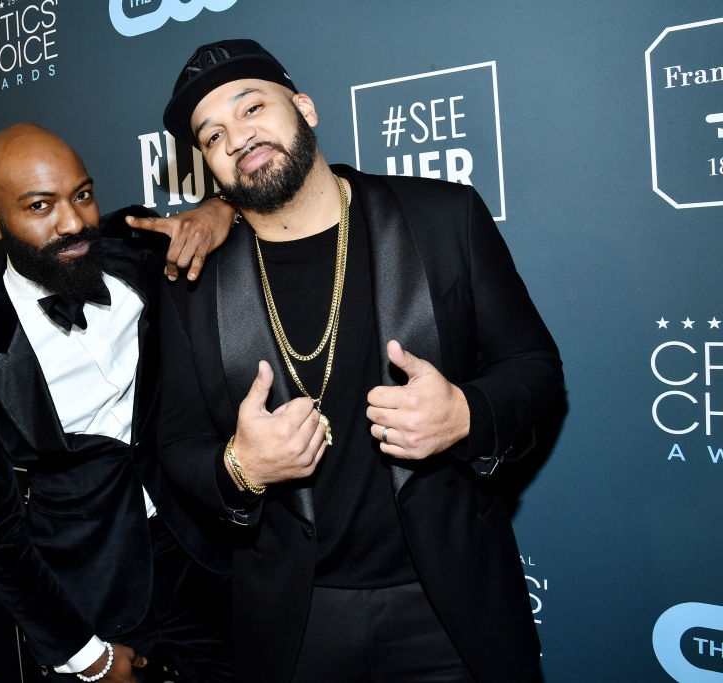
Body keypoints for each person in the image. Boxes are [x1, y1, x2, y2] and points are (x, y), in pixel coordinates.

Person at [156, 39, 563, 683]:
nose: (238, 138)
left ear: (305, 107)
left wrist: (465, 414)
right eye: (213, 136)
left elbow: (535, 366)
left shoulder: (442, 218)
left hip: (450, 605)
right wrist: (241, 466)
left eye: (252, 107)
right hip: (296, 623)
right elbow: (175, 444)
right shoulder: (194, 288)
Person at [0, 123, 235, 682]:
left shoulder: (138, 246)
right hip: (93, 587)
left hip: (203, 550)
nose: (73, 223)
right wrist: (85, 654)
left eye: (83, 195)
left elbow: (226, 217)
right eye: (39, 206)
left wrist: (219, 207)